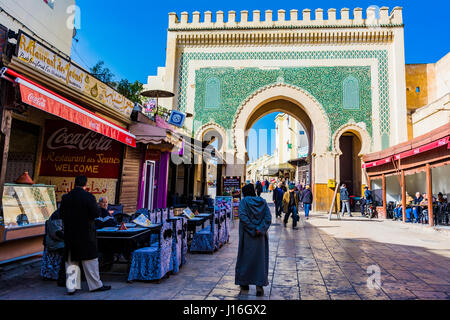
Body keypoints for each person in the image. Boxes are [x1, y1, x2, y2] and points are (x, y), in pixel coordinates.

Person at [60, 175, 111, 295]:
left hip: (70, 233)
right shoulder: (89, 197)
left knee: (72, 260)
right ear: (85, 184)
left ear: (74, 183)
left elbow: (61, 214)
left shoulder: (66, 197)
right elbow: (96, 213)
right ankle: (95, 285)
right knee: (90, 261)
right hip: (86, 234)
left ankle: (71, 287)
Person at [235, 184, 272, 297]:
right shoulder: (263, 202)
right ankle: (259, 286)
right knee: (260, 260)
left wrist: (252, 229)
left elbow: (242, 216)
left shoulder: (244, 202)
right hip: (260, 238)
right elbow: (268, 218)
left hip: (247, 237)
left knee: (245, 259)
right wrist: (259, 229)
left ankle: (244, 283)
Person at [41, 209, 65, 287]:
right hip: (55, 243)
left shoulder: (62, 213)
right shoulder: (57, 215)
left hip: (58, 241)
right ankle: (61, 276)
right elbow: (57, 233)